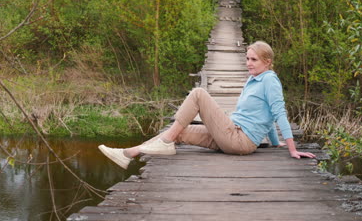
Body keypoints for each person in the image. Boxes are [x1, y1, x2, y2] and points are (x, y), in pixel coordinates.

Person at [98, 41, 316, 169]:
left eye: (254, 60)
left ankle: (162, 142)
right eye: (247, 58)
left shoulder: (269, 80)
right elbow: (265, 115)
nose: (248, 63)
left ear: (267, 62)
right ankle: (127, 154)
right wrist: (275, 143)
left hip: (240, 140)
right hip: (230, 133)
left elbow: (279, 113)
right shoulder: (253, 79)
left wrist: (292, 149)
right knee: (178, 132)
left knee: (199, 94)